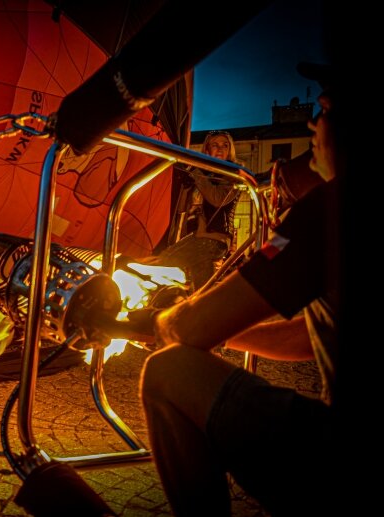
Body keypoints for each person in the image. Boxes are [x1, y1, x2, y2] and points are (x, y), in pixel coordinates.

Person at [138, 62, 341, 516]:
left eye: (325, 109)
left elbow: (187, 332)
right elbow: (315, 337)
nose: (312, 122)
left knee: (168, 371)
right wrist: (229, 334)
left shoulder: (323, 214)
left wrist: (163, 317)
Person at [151, 130, 243, 290]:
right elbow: (183, 210)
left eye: (225, 145)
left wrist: (195, 172)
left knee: (166, 260)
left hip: (214, 239)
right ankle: (201, 308)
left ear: (230, 150)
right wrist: (186, 188)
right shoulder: (203, 174)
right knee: (201, 286)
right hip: (197, 235)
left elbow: (217, 199)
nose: (220, 149)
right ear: (207, 150)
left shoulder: (233, 174)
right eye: (215, 145)